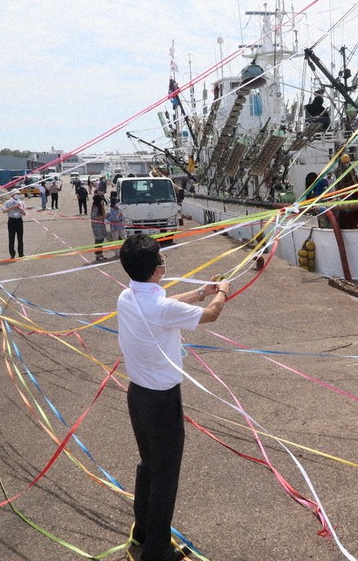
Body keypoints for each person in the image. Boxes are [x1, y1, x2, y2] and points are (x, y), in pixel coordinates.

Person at [117, 234, 231, 561]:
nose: (164, 265)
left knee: (149, 467)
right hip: (162, 401)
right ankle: (157, 552)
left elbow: (166, 308)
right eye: (162, 262)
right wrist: (221, 293)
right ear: (155, 271)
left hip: (137, 396)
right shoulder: (159, 306)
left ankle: (142, 534)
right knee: (165, 477)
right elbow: (210, 315)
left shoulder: (127, 296)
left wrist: (199, 292)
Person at [2, 189, 26, 258]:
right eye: (16, 194)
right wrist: (13, 207)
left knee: (20, 238)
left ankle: (21, 253)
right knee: (11, 237)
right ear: (12, 195)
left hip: (19, 220)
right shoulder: (7, 202)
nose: (17, 195)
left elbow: (24, 213)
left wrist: (20, 208)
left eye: (18, 194)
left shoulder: (21, 202)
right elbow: (4, 211)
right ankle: (12, 254)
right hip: (11, 221)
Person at [90, 193, 108, 262]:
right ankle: (98, 255)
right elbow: (94, 217)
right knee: (98, 240)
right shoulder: (96, 207)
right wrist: (103, 217)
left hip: (101, 225)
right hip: (97, 226)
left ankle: (100, 254)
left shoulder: (99, 207)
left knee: (101, 240)